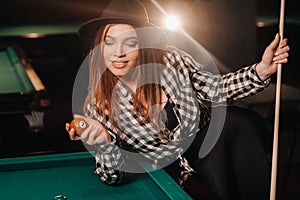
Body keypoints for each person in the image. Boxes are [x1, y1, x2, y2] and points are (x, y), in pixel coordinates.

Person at [65, 0, 290, 199]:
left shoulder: (171, 61)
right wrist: (103, 143)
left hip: (223, 143)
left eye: (130, 42)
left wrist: (260, 71)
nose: (118, 52)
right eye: (109, 42)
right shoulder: (99, 105)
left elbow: (215, 89)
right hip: (175, 171)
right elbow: (113, 178)